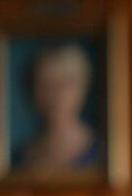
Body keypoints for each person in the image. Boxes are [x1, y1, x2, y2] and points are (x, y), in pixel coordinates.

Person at [16, 44, 100, 172]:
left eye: (64, 83)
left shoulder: (105, 153)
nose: (56, 94)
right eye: (46, 84)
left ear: (82, 88)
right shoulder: (20, 158)